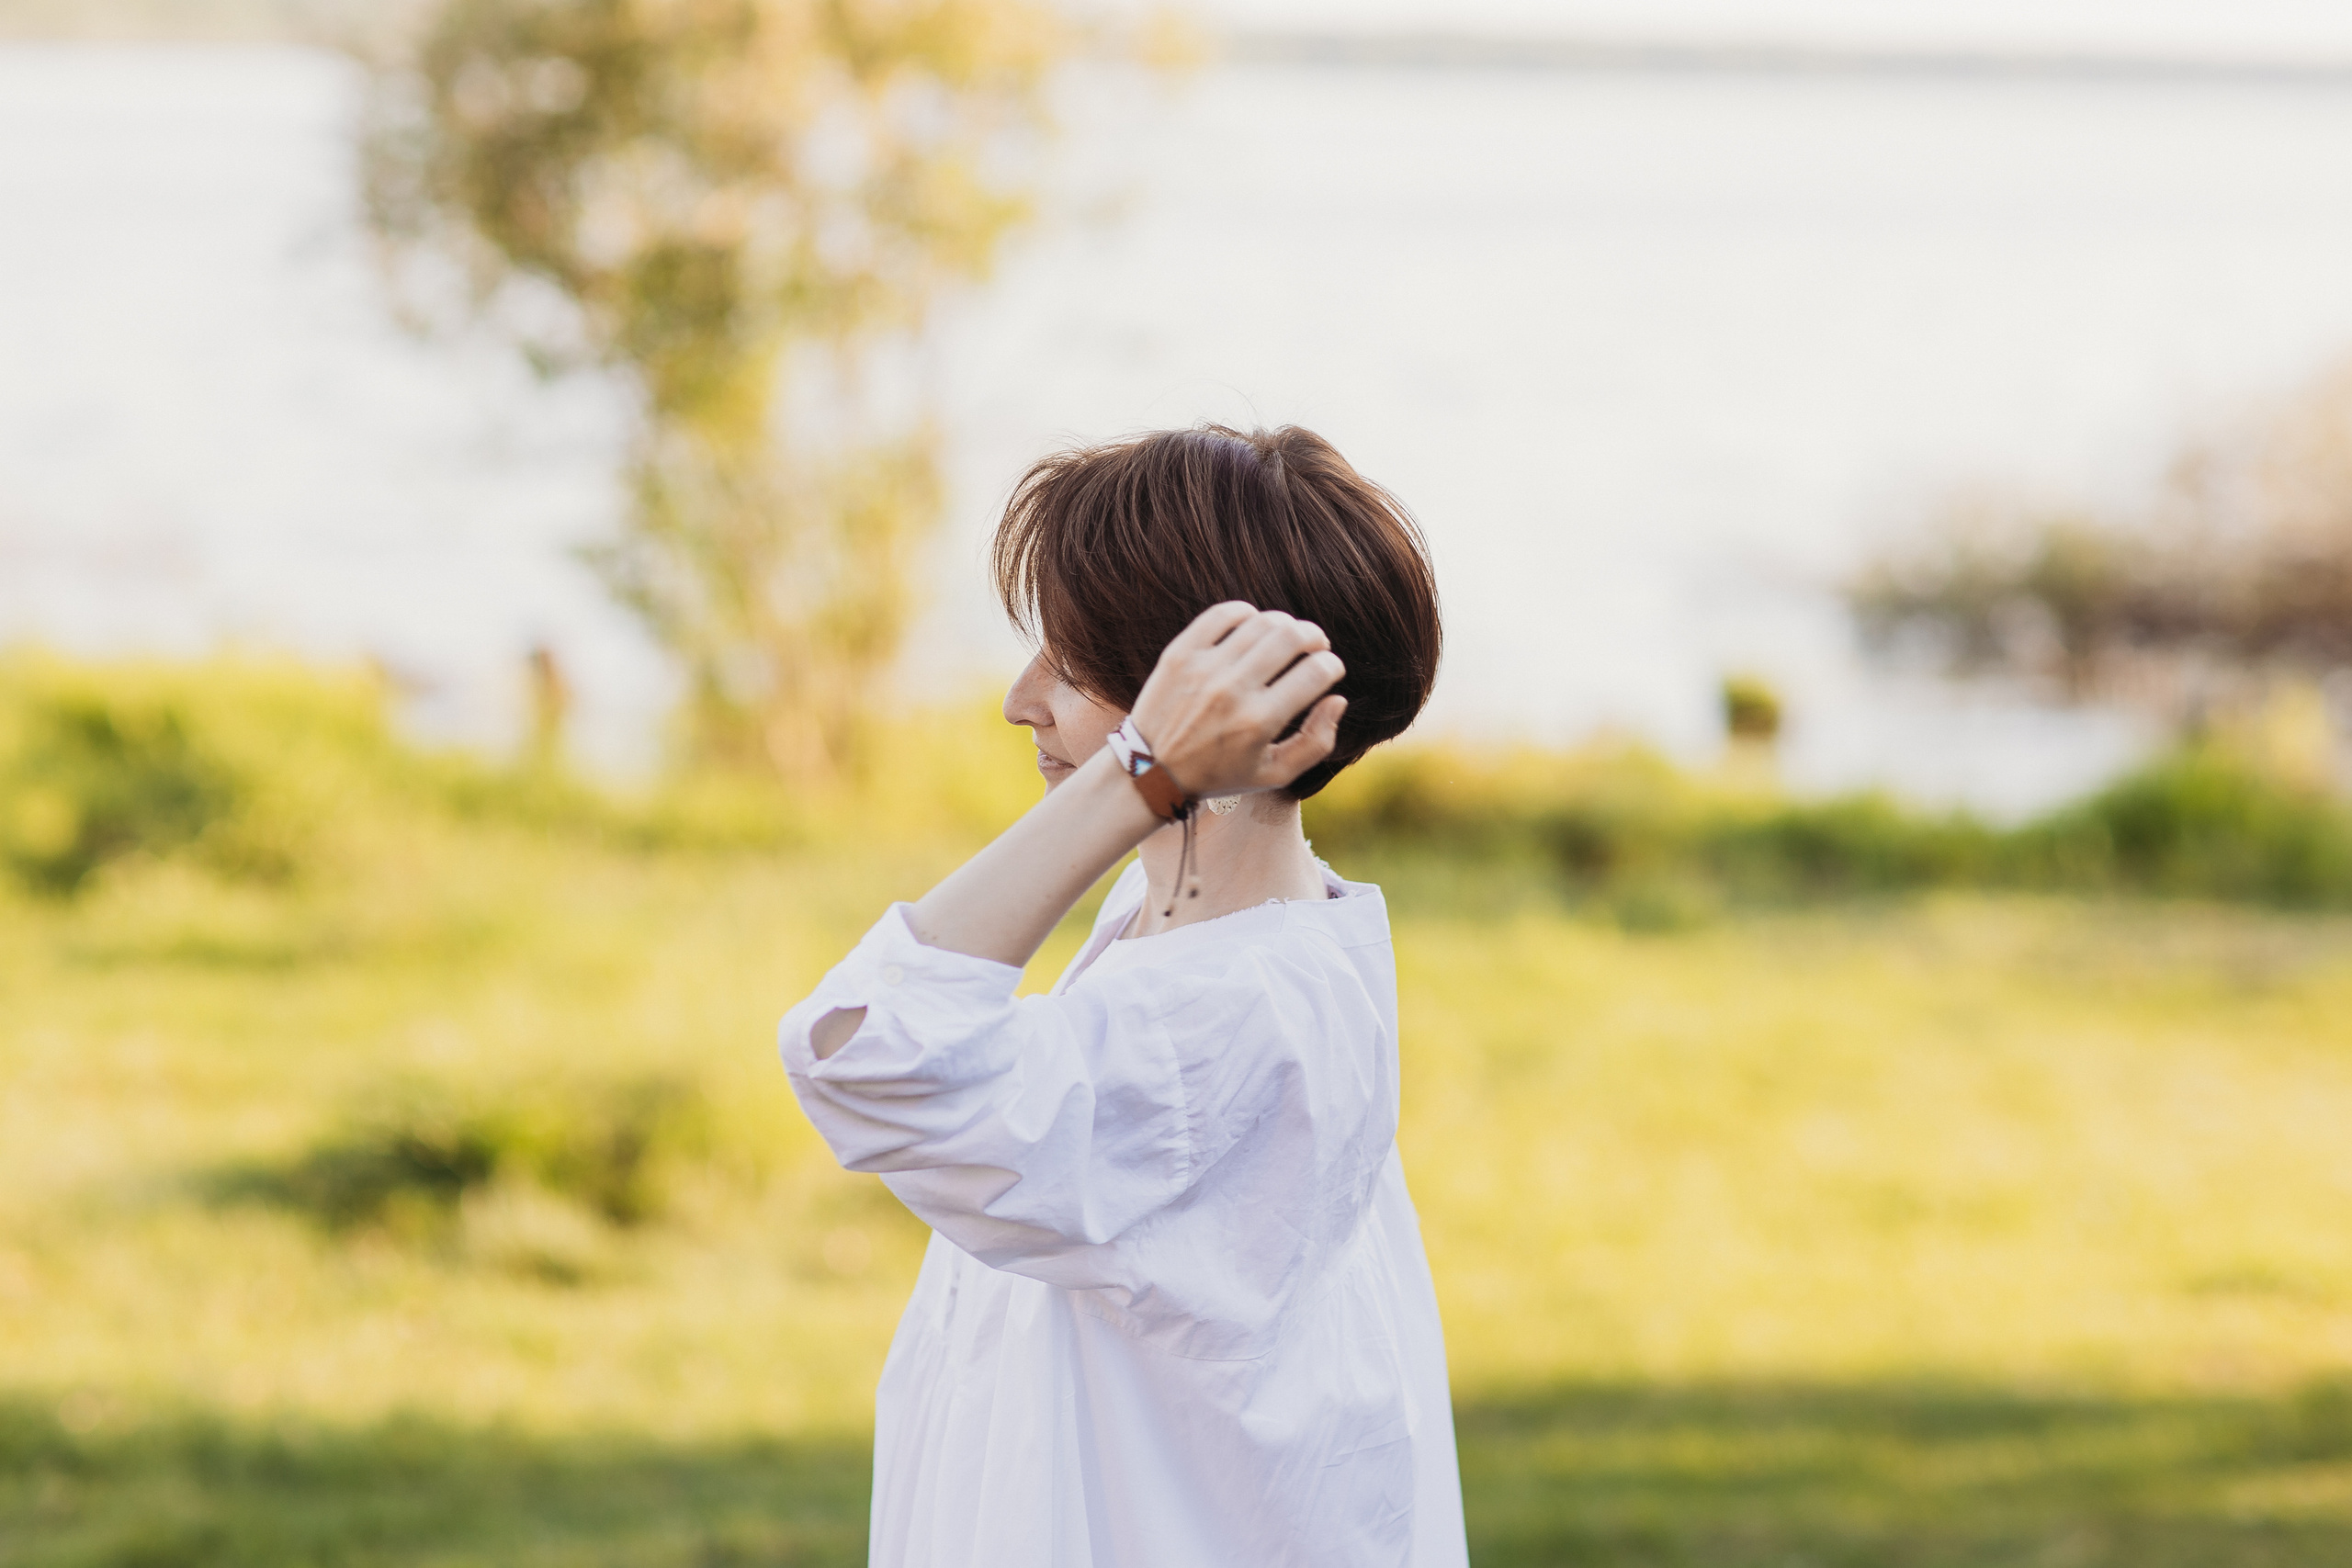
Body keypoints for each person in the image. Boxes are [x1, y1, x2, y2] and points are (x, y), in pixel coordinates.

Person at [778, 423, 1466, 1567]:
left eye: (1075, 660)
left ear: (1214, 702)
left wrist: (1140, 774)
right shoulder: (1191, 941)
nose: (1020, 699)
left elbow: (869, 1056)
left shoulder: (1224, 1020)